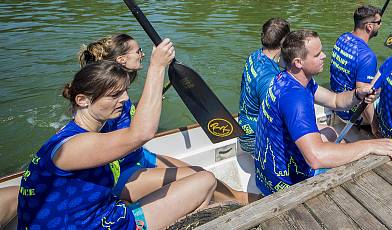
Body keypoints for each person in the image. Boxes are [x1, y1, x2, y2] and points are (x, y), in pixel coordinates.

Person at [18, 43, 216, 230]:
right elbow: (142, 133)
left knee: (200, 179)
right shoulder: (76, 145)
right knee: (206, 181)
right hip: (99, 224)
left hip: (97, 215)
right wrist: (157, 67)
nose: (124, 100)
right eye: (114, 95)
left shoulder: (74, 133)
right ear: (83, 100)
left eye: (125, 91)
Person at [78, 34, 251, 206]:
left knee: (197, 171)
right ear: (122, 59)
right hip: (121, 172)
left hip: (138, 155)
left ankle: (237, 197)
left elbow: (125, 118)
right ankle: (242, 200)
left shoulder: (120, 86)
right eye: (138, 51)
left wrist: (146, 103)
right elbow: (139, 133)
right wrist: (157, 65)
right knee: (197, 177)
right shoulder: (104, 96)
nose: (143, 54)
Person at [253, 30, 392, 195]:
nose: (324, 56)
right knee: (356, 167)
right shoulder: (296, 98)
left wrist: (358, 94)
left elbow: (335, 100)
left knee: (331, 132)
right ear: (298, 62)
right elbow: (316, 158)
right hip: (285, 184)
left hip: (266, 172)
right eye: (317, 54)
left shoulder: (287, 78)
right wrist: (369, 145)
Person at [238, 18, 291, 153]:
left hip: (244, 128)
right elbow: (273, 120)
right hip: (256, 140)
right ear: (283, 42)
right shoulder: (270, 81)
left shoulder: (255, 56)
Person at [329, 5, 382, 124]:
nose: (380, 25)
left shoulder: (343, 38)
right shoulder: (368, 57)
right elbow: (365, 98)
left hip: (337, 103)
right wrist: (374, 125)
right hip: (350, 114)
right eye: (379, 22)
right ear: (369, 26)